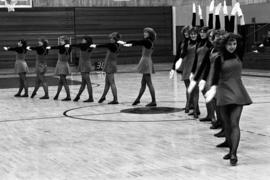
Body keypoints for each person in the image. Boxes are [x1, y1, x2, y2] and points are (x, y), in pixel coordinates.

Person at [122, 27, 157, 107]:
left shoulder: (147, 41)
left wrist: (126, 42)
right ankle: (138, 99)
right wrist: (128, 43)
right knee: (143, 83)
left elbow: (137, 42)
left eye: (146, 32)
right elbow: (137, 42)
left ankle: (154, 101)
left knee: (149, 83)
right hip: (146, 61)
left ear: (149, 34)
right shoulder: (148, 41)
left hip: (145, 62)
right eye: (144, 32)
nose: (144, 33)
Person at [91, 32, 121, 104]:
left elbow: (103, 45)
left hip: (110, 65)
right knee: (107, 83)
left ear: (114, 39)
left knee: (112, 82)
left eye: (111, 38)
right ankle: (103, 97)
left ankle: (115, 99)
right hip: (111, 64)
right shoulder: (116, 45)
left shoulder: (112, 45)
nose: (110, 39)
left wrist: (95, 45)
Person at [47, 36, 72, 101]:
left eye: (62, 40)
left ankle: (68, 96)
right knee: (61, 82)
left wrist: (49, 47)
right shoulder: (68, 47)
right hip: (64, 64)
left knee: (64, 81)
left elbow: (57, 47)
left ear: (65, 41)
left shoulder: (63, 47)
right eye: (60, 40)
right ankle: (57, 95)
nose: (60, 42)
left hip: (61, 65)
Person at [71, 36, 94, 102]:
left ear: (86, 41)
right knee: (83, 83)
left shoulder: (83, 46)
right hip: (87, 64)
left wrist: (69, 45)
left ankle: (91, 98)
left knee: (88, 82)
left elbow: (76, 45)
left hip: (84, 65)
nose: (82, 40)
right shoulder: (90, 46)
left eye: (83, 40)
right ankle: (78, 96)